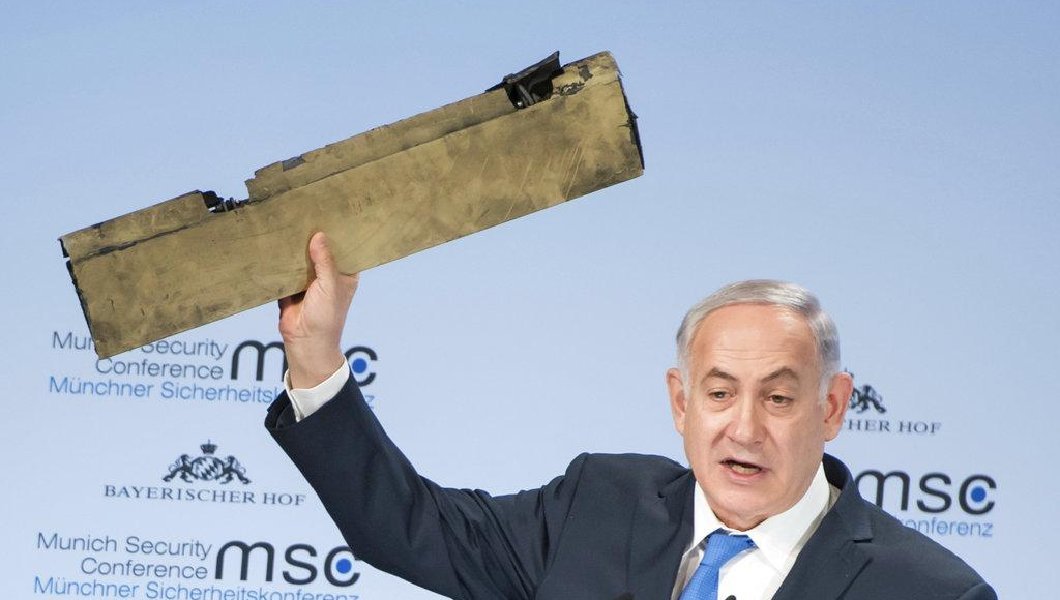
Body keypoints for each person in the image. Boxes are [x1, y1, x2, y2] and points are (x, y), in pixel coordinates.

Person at [266, 233, 996, 600]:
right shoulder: (598, 505)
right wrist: (316, 351)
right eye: (719, 394)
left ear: (831, 407)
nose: (744, 429)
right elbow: (406, 526)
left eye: (778, 398)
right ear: (681, 402)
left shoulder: (931, 592)